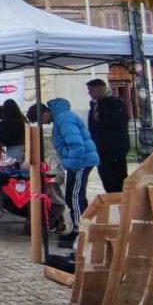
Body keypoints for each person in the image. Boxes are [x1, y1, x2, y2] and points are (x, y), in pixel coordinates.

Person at [44, 98, 99, 249]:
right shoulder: (63, 117)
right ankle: (82, 229)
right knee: (75, 196)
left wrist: (73, 163)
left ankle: (79, 233)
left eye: (41, 117)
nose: (42, 122)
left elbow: (76, 144)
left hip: (80, 162)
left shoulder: (63, 119)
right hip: (81, 160)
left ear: (47, 112)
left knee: (74, 197)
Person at [86, 79, 130, 193]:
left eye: (91, 90)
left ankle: (120, 200)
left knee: (117, 179)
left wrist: (101, 116)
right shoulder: (95, 105)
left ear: (100, 89)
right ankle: (112, 199)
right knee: (106, 179)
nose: (89, 93)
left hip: (115, 149)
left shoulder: (116, 103)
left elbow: (119, 122)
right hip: (100, 149)